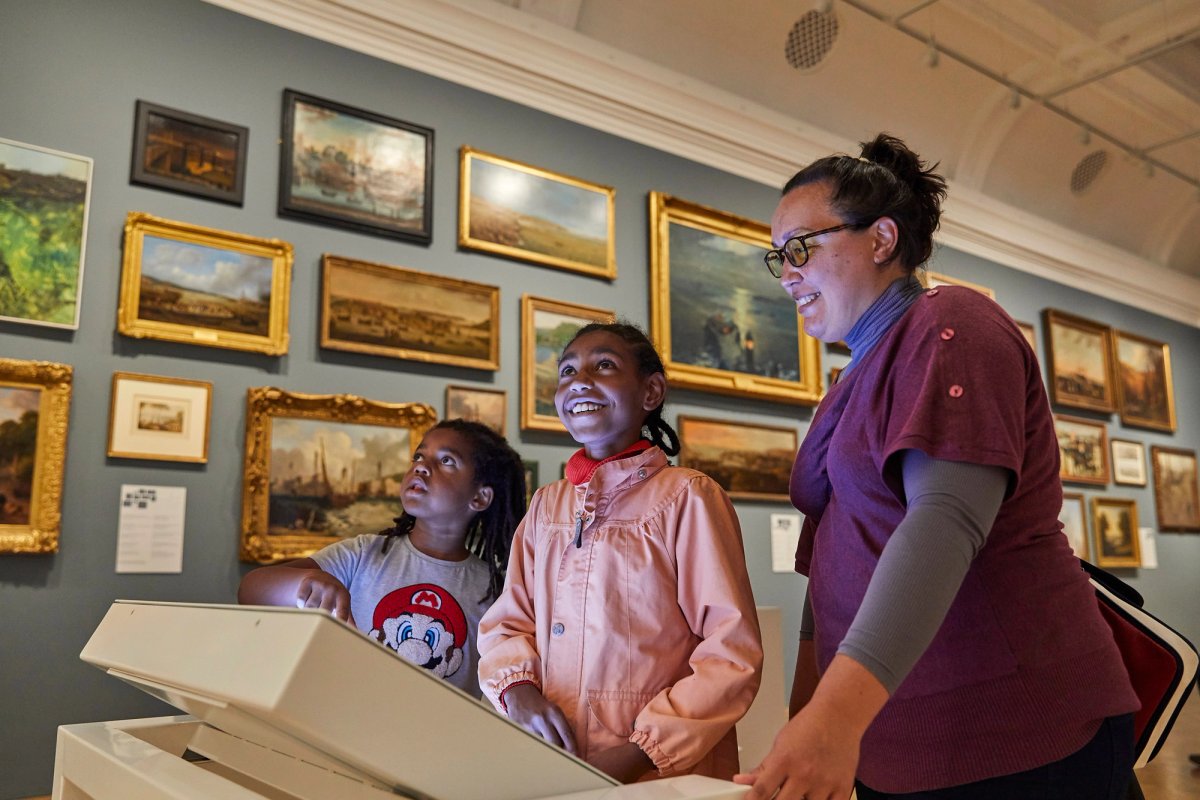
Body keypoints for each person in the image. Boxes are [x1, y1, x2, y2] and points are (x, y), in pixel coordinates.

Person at [734, 133, 1139, 800]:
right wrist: (809, 715)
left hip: (1010, 739)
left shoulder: (952, 324)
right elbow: (834, 558)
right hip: (896, 739)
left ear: (881, 238)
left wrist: (834, 717)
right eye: (776, 257)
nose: (786, 273)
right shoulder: (849, 384)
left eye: (800, 248)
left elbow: (945, 520)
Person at [477, 322, 763, 783]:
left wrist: (641, 751)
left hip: (658, 774)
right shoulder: (547, 506)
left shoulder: (687, 497)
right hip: (554, 765)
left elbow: (730, 656)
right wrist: (519, 690)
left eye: (603, 365)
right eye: (567, 371)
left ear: (651, 391)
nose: (579, 381)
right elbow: (508, 623)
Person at [238, 419, 526, 697]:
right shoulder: (363, 553)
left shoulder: (496, 590)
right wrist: (307, 581)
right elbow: (250, 589)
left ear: (480, 497)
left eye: (446, 461)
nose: (422, 467)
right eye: (418, 456)